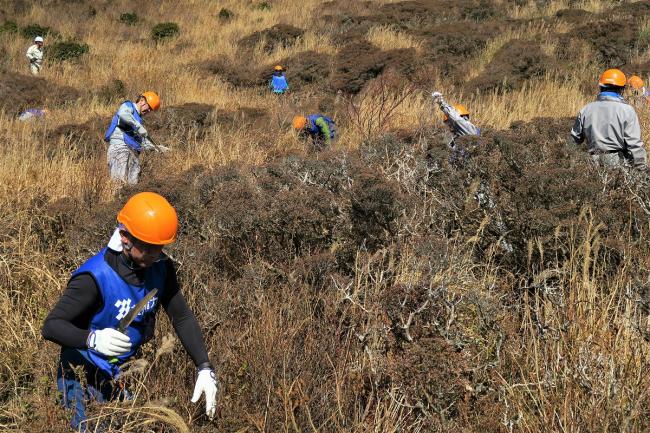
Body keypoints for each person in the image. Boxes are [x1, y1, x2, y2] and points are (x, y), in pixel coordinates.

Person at [42, 192, 218, 432]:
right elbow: (51, 325)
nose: (156, 254)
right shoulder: (95, 277)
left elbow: (182, 316)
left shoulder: (160, 266)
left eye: (160, 247)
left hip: (122, 372)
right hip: (81, 372)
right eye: (148, 248)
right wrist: (92, 339)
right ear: (125, 238)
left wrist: (204, 367)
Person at [570, 69, 647, 170]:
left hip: (592, 164)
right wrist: (642, 168)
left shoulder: (586, 109)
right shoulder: (627, 110)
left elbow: (573, 140)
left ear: (601, 87)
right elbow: (634, 144)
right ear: (622, 89)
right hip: (617, 164)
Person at [104, 92, 169, 185]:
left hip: (133, 153)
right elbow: (123, 114)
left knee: (132, 186)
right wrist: (138, 126)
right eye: (149, 107)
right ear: (142, 101)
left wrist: (156, 147)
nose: (149, 111)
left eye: (151, 110)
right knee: (118, 184)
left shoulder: (138, 120)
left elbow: (141, 142)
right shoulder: (128, 106)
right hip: (120, 148)